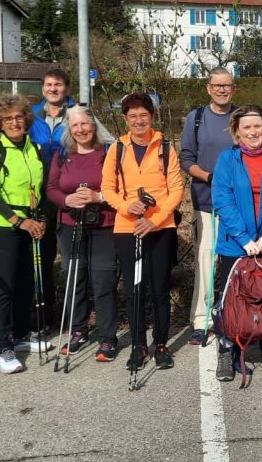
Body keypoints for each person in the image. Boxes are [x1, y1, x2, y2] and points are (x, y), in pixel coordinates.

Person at [102, 92, 184, 372]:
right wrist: (126, 206)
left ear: (152, 116)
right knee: (134, 289)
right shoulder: (117, 149)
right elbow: (107, 188)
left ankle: (160, 344)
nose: (139, 121)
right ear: (125, 119)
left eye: (144, 115)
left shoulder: (166, 148)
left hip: (161, 227)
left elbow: (176, 190)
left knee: (160, 288)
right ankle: (138, 345)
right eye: (133, 116)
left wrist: (156, 220)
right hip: (127, 227)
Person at [211, 105, 262, 381]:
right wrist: (245, 239)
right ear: (237, 131)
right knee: (232, 301)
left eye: (257, 126)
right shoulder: (227, 160)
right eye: (247, 127)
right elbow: (223, 200)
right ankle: (227, 350)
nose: (253, 132)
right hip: (235, 245)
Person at [29, 68, 112, 332]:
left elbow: (109, 143)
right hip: (45, 195)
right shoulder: (32, 116)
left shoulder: (79, 113)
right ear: (43, 88)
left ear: (66, 88)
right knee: (51, 262)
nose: (53, 89)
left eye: (58, 84)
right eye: (49, 84)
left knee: (96, 273)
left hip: (84, 199)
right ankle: (48, 319)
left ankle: (100, 327)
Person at [0, 94, 51, 374]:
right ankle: (2, 346)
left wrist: (41, 219)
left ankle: (20, 335)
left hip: (31, 222)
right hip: (4, 225)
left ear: (27, 119)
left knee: (25, 282)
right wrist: (17, 220)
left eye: (19, 117)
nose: (14, 122)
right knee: (5, 285)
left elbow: (44, 188)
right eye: (7, 119)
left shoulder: (36, 149)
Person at [46, 106, 117, 360]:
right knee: (75, 278)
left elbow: (122, 188)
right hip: (70, 224)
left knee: (103, 280)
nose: (80, 129)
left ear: (94, 125)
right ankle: (78, 330)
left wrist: (99, 196)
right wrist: (67, 200)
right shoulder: (62, 155)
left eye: (84, 124)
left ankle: (107, 337)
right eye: (75, 125)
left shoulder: (108, 152)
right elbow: (51, 188)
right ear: (69, 129)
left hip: (104, 224)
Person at [179, 67, 236, 345]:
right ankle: (202, 321)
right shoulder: (197, 118)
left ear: (233, 88)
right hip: (206, 201)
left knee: (235, 263)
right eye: (217, 85)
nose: (222, 90)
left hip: (237, 204)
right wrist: (210, 177)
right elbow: (186, 159)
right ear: (208, 88)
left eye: (227, 85)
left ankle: (233, 316)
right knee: (206, 261)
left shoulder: (241, 117)